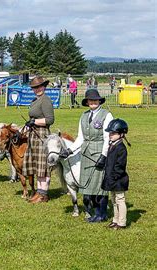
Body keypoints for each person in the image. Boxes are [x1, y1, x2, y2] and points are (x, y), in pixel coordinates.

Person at [62, 89, 113, 222]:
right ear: (87, 102)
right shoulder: (84, 116)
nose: (93, 102)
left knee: (99, 186)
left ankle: (102, 214)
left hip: (99, 152)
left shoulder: (106, 115)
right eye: (90, 100)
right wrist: (70, 151)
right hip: (85, 154)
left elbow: (108, 138)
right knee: (89, 185)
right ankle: (95, 212)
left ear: (99, 101)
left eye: (95, 100)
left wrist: (104, 155)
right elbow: (80, 138)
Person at [23, 76, 54, 203]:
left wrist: (34, 121)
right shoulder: (35, 100)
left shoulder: (45, 100)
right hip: (33, 135)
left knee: (43, 165)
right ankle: (39, 191)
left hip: (42, 134)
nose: (37, 89)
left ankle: (43, 193)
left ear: (44, 86)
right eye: (35, 88)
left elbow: (50, 120)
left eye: (39, 87)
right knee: (37, 165)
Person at [101, 119, 129, 230]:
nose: (110, 135)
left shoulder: (121, 148)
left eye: (113, 133)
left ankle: (122, 222)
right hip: (111, 178)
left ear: (121, 134)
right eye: (109, 133)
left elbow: (120, 166)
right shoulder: (112, 145)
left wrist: (114, 176)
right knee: (113, 200)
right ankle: (115, 220)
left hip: (118, 179)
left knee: (120, 200)